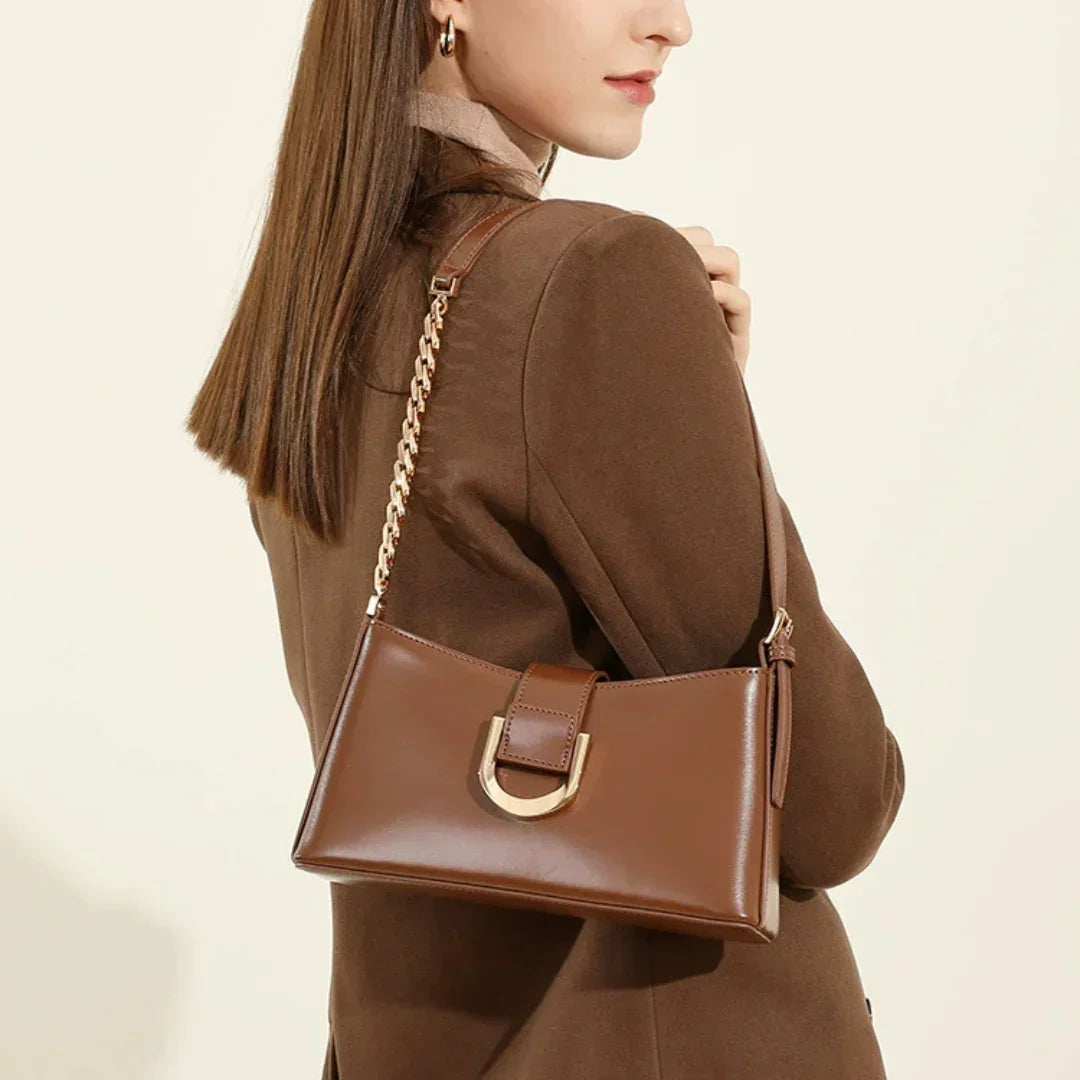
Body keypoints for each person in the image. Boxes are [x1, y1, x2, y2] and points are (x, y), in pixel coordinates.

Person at [186, 2, 906, 1077]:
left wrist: (688, 409)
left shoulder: (316, 303)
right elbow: (833, 807)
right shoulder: (597, 274)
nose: (672, 24)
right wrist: (704, 415)